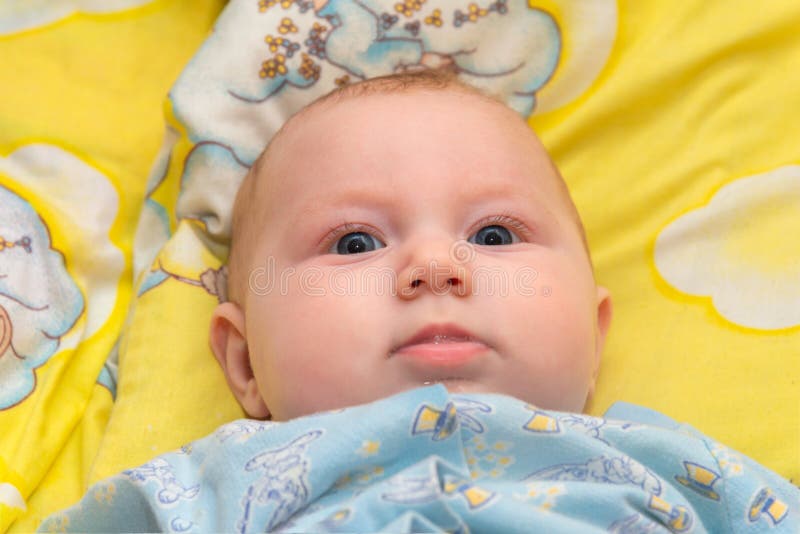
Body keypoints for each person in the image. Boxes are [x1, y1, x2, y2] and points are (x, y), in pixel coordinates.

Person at [40, 70, 798, 533]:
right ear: (243, 363)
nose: (435, 265)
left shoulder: (674, 467)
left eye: (495, 233)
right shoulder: (219, 482)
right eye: (356, 243)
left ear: (594, 335)